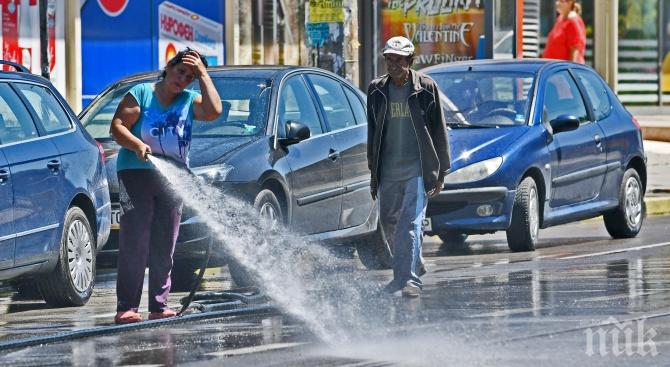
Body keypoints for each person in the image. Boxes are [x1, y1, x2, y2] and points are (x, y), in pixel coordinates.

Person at [110, 49, 222, 324]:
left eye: (190, 77)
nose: (183, 79)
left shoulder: (189, 101)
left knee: (165, 242)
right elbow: (117, 127)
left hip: (173, 178)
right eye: (180, 71)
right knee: (135, 241)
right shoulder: (142, 94)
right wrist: (137, 145)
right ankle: (127, 307)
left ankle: (159, 305)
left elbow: (214, 111)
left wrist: (204, 75)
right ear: (168, 67)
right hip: (136, 173)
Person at [366, 36, 450, 298]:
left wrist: (441, 172)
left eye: (399, 60)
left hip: (416, 169)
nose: (393, 65)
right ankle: (412, 264)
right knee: (389, 225)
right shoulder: (377, 90)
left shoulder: (425, 88)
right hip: (387, 170)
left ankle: (408, 280)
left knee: (411, 226)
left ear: (410, 61)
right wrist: (373, 173)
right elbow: (372, 132)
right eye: (389, 59)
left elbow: (439, 130)